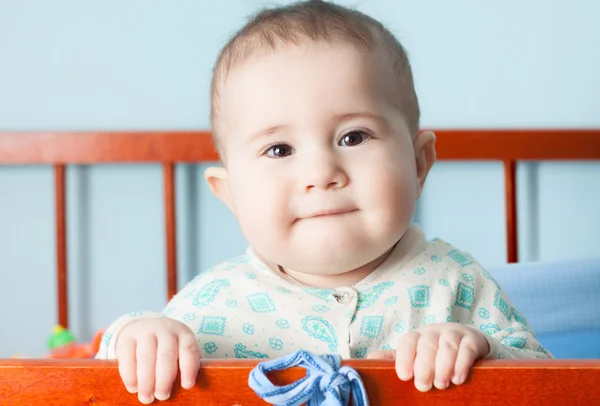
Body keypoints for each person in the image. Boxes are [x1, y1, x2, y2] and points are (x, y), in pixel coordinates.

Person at [95, 1, 553, 403]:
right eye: (279, 150)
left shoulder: (456, 282)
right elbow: (102, 379)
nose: (320, 174)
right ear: (229, 194)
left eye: (354, 136)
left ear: (418, 163)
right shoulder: (213, 302)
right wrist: (138, 337)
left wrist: (482, 349)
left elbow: (553, 382)